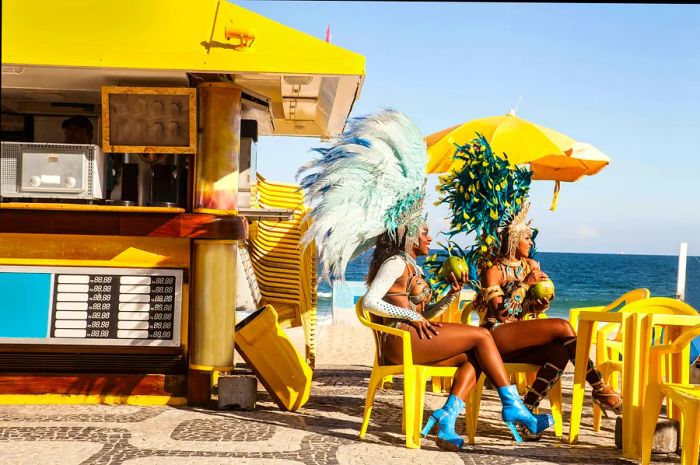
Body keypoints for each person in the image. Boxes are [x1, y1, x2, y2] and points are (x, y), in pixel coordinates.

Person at [298, 110, 553, 451]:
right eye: (425, 233)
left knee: (475, 356)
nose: (430, 240)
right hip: (399, 344)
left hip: (413, 338)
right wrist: (413, 316)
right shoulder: (394, 262)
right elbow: (372, 302)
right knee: (481, 336)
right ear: (408, 235)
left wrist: (449, 296)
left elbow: (425, 313)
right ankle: (513, 404)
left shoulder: (410, 266)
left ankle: (447, 416)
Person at [475, 203, 622, 439]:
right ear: (513, 240)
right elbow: (503, 314)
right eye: (527, 238)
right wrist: (525, 284)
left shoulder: (531, 266)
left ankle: (528, 408)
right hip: (494, 338)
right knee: (563, 327)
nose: (531, 243)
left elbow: (525, 309)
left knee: (560, 352)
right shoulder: (493, 271)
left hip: (519, 338)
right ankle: (600, 388)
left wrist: (539, 303)